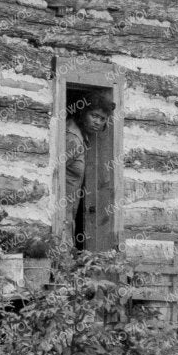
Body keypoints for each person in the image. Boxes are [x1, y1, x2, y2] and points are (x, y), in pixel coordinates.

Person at [66, 97, 112, 250]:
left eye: (102, 119)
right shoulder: (72, 138)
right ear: (82, 113)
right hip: (60, 212)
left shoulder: (80, 136)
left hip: (68, 212)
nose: (98, 122)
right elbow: (53, 175)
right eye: (94, 115)